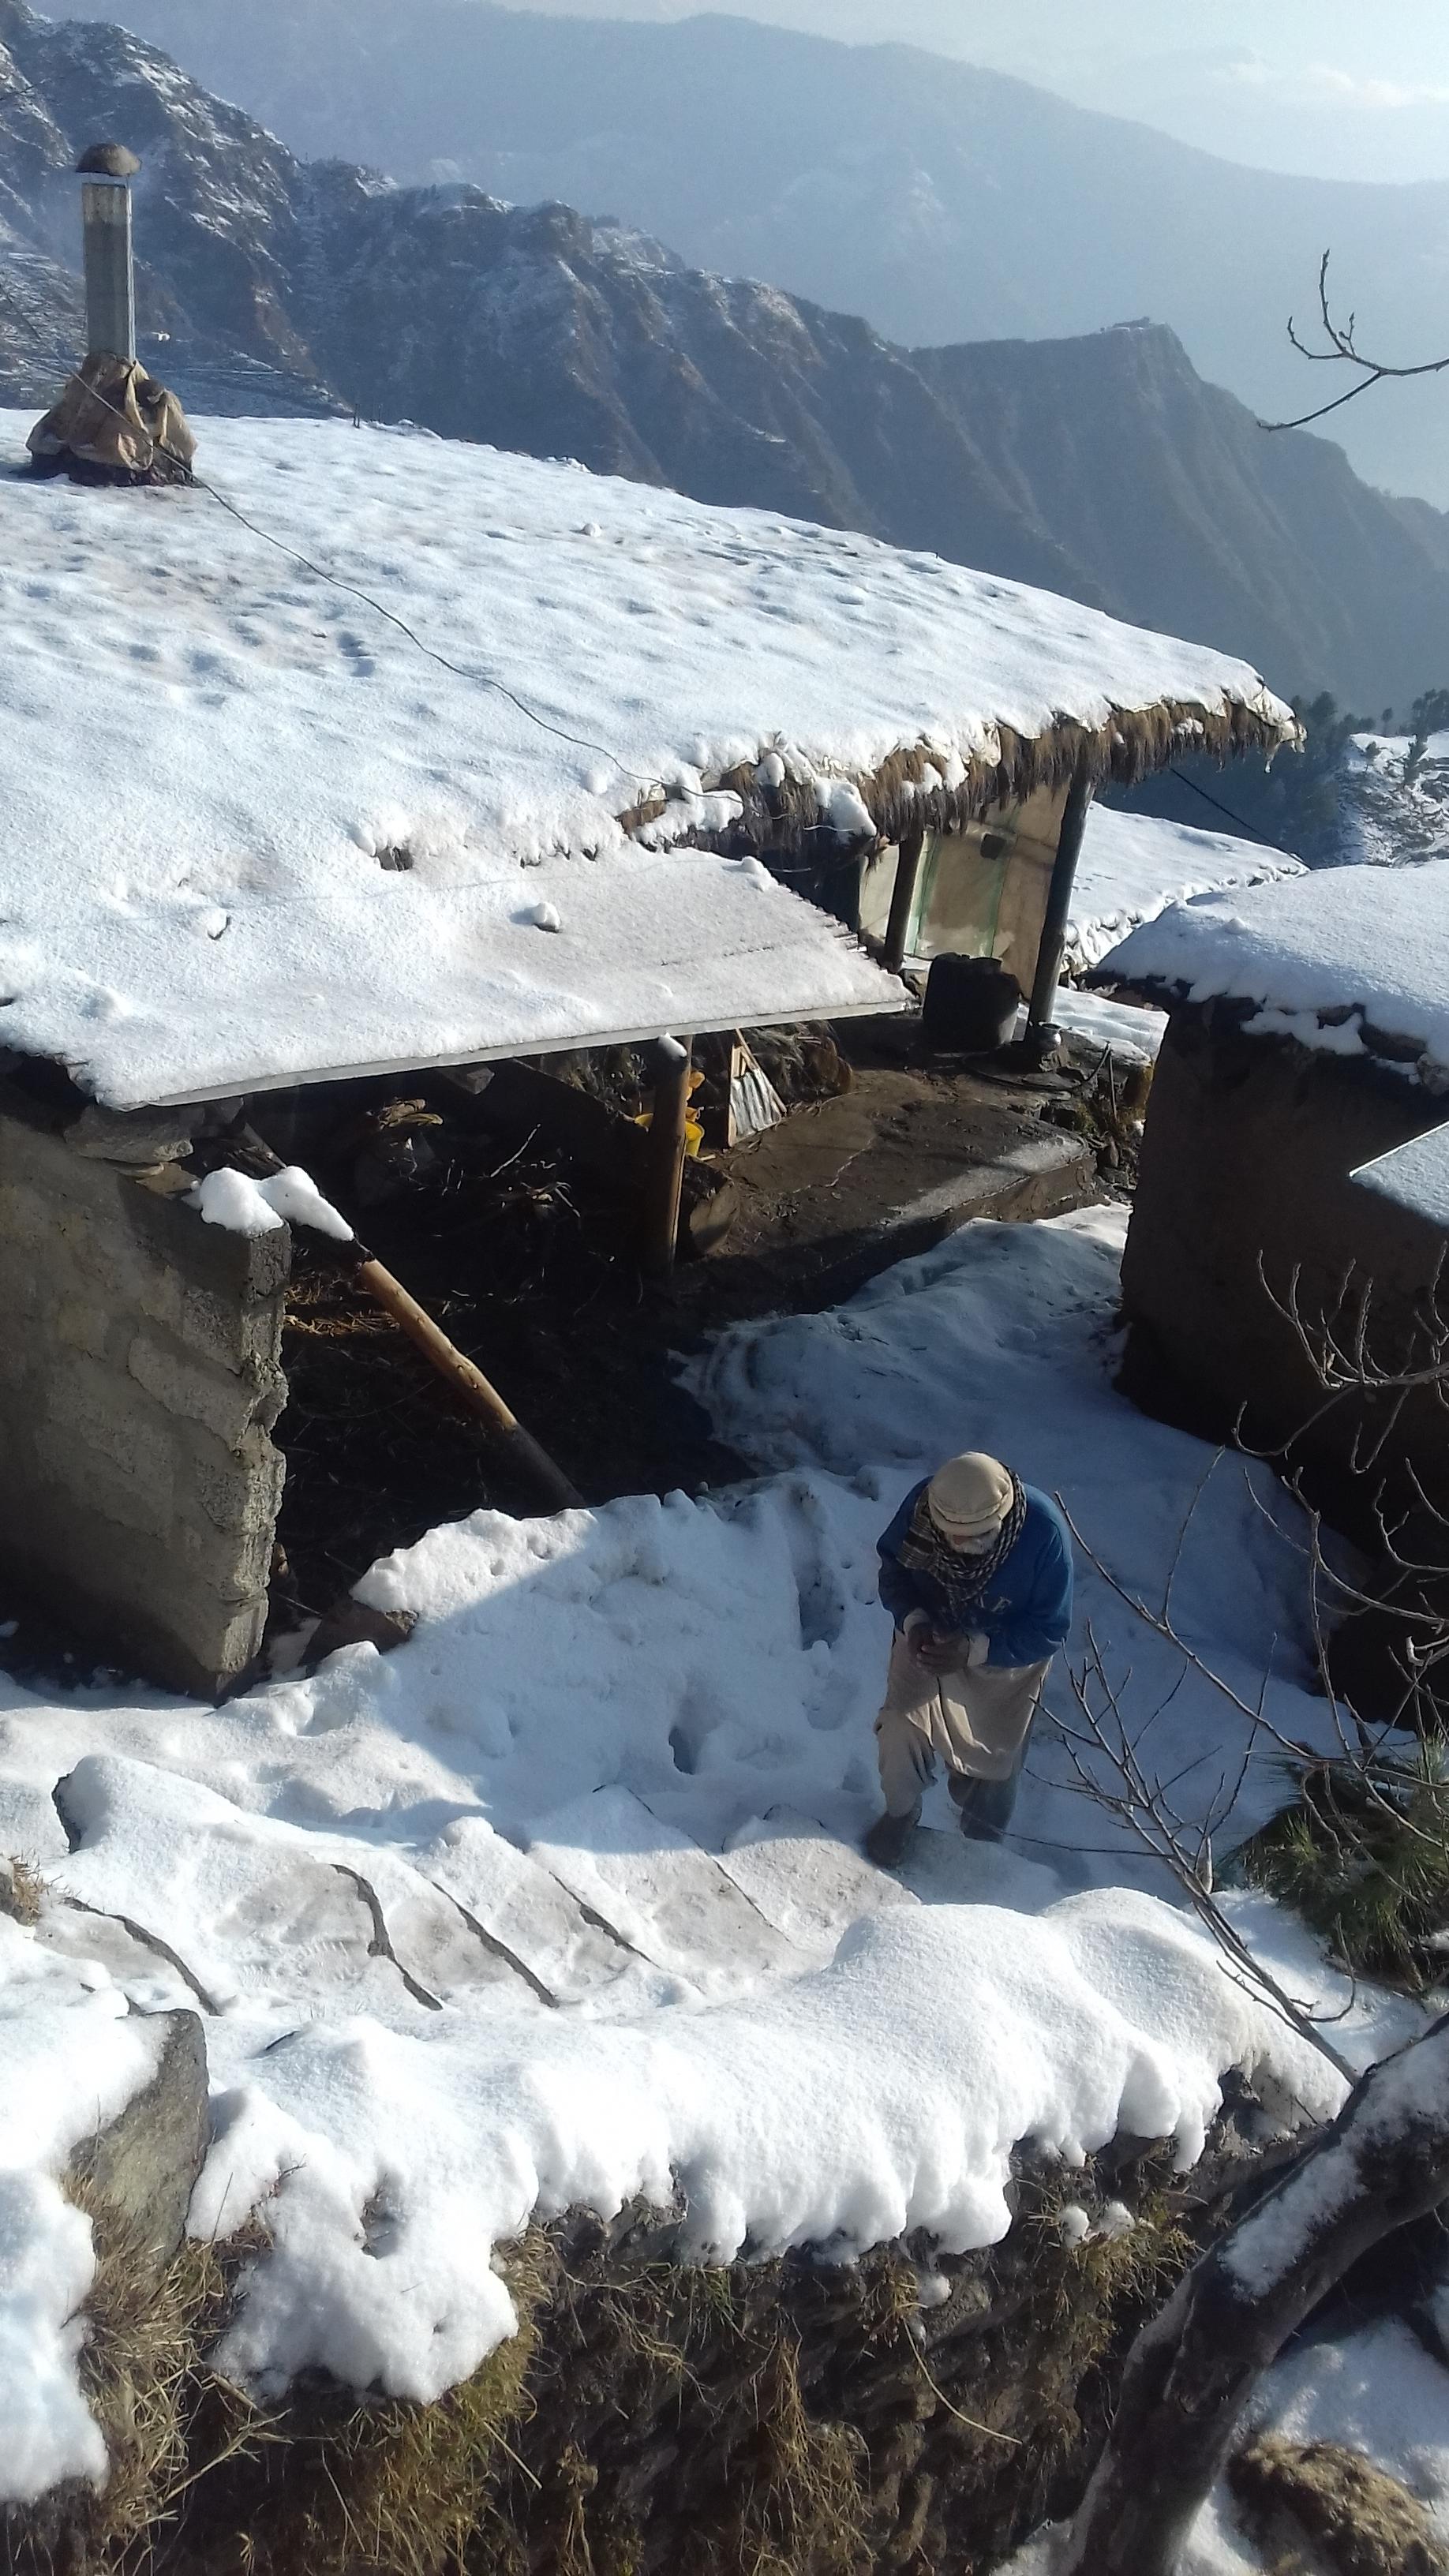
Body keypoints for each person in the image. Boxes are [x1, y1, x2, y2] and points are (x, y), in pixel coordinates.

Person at [863, 1451, 1073, 1867]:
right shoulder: (922, 1507)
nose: (967, 1547)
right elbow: (895, 1570)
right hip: (931, 1635)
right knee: (901, 1725)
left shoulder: (1044, 1533)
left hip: (1003, 1658)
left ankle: (981, 1847)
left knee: (994, 1760)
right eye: (954, 1537)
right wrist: (914, 1619)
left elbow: (1049, 1628)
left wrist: (976, 1648)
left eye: (979, 1537)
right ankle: (901, 1811)